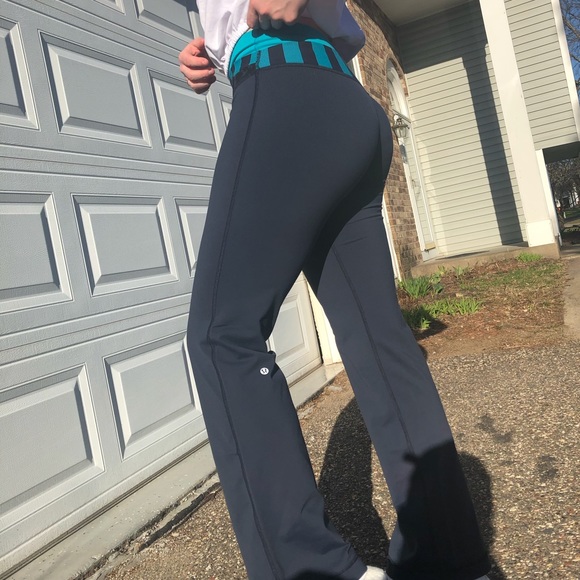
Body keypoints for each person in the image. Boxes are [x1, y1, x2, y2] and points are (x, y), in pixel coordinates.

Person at [180, 1, 492, 579]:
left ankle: (313, 569)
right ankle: (450, 558)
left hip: (286, 91)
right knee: (378, 338)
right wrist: (214, 52)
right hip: (341, 103)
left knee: (223, 336)